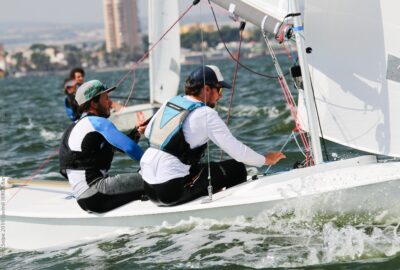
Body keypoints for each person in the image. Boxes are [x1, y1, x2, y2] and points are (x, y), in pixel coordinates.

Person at [140, 65, 285, 206]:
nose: (221, 95)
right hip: (171, 192)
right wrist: (266, 159)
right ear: (206, 89)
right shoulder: (206, 114)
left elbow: (148, 133)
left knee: (200, 166)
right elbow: (239, 153)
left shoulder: (171, 101)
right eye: (219, 89)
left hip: (149, 187)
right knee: (237, 169)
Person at [59, 79, 147, 213]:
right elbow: (130, 149)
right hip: (97, 193)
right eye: (106, 98)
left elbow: (117, 145)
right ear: (93, 103)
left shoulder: (75, 127)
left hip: (84, 199)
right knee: (156, 175)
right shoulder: (98, 123)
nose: (109, 103)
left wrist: (136, 132)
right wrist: (155, 165)